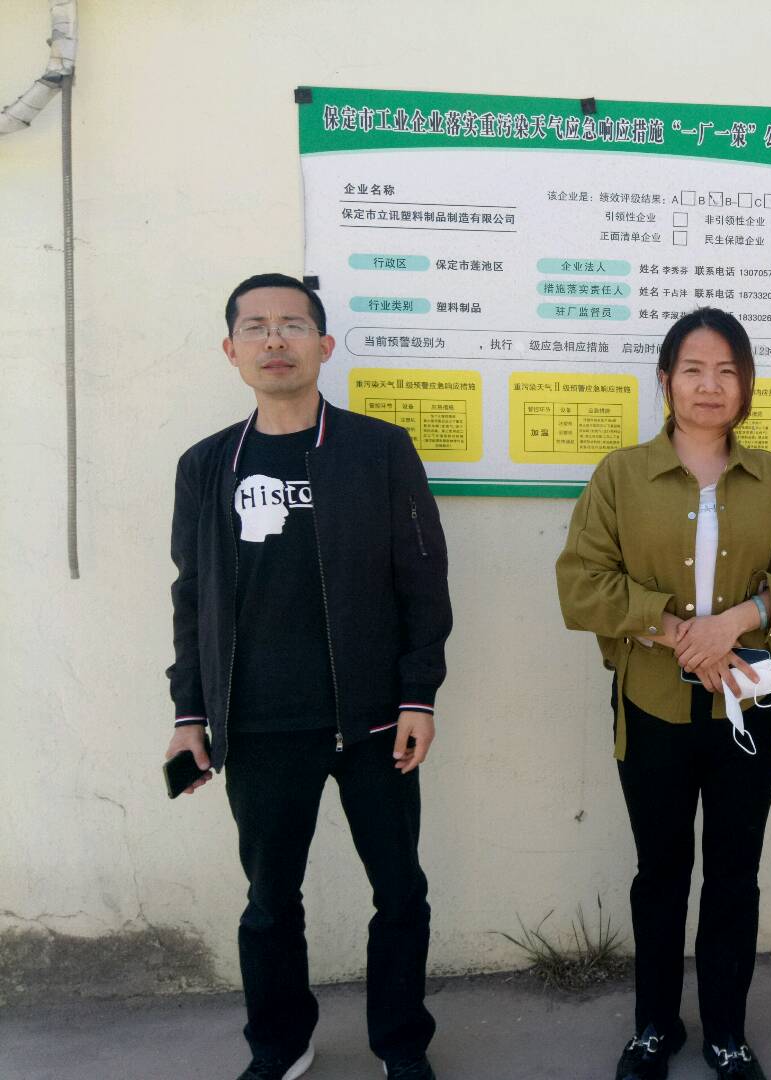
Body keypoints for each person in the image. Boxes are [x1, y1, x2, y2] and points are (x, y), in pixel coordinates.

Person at [164, 273, 452, 1080]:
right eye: (254, 327)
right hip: (258, 724)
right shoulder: (207, 465)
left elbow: (423, 578)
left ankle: (401, 1046)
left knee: (399, 892)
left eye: (292, 324)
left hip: (373, 719)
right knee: (268, 903)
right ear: (231, 351)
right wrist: (190, 714)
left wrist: (418, 694)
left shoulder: (378, 449)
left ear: (324, 346)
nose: (274, 339)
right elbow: (192, 597)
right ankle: (280, 1045)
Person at [556, 307, 771, 1080]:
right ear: (665, 380)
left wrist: (736, 622)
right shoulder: (620, 475)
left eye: (726, 371)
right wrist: (680, 632)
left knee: (734, 875)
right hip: (651, 707)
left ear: (745, 385)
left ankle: (726, 1032)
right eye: (692, 370)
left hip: (748, 708)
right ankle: (653, 1026)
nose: (709, 386)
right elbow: (582, 583)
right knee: (660, 874)